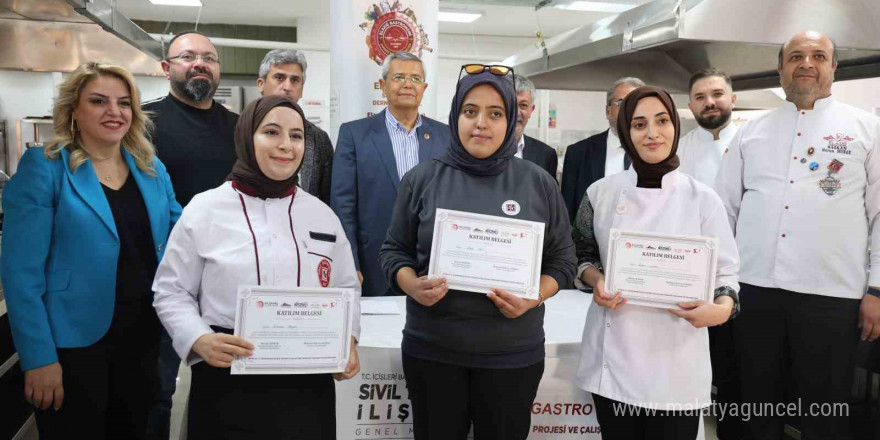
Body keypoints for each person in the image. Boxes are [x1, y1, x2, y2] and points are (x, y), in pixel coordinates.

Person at [378, 65, 576, 440]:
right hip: (433, 351)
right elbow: (393, 251)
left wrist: (534, 296)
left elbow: (562, 261)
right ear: (456, 116)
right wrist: (411, 285)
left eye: (495, 113)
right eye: (470, 111)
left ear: (510, 120)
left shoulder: (539, 183)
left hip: (511, 355)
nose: (481, 123)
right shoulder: (422, 179)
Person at [152, 95, 361, 439]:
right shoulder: (205, 209)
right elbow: (171, 291)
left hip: (308, 383)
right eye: (272, 132)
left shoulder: (321, 214)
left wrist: (347, 340)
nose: (286, 145)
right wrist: (198, 338)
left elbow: (345, 287)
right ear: (247, 137)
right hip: (227, 376)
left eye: (296, 136)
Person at [1, 61, 182, 440]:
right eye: (98, 101)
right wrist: (39, 358)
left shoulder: (151, 169)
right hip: (73, 346)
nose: (114, 112)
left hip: (143, 338)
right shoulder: (45, 168)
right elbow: (21, 275)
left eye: (124, 102)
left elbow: (183, 237)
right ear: (74, 111)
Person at [715, 30, 880, 440]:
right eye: (796, 56)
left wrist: (877, 290)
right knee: (755, 405)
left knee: (825, 412)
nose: (807, 63)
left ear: (833, 67)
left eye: (818, 55)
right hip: (754, 290)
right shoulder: (750, 132)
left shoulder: (868, 129)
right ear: (781, 68)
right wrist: (720, 280)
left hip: (832, 295)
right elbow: (722, 211)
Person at [572, 86, 740, 439]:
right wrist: (595, 280)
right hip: (615, 361)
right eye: (639, 124)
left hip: (677, 364)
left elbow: (726, 275)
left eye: (662, 121)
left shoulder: (703, 199)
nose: (652, 133)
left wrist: (721, 310)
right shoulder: (599, 194)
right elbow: (581, 256)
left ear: (676, 126)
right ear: (626, 133)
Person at [143, 30, 240, 437]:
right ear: (167, 68)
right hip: (162, 277)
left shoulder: (240, 128)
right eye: (188, 56)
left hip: (227, 278)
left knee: (225, 388)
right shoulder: (142, 123)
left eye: (209, 58)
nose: (200, 63)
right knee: (157, 389)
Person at [331, 52, 449, 297]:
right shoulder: (354, 134)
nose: (408, 84)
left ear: (424, 88)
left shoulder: (445, 137)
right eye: (399, 77)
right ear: (383, 86)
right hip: (372, 265)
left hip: (430, 268)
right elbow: (343, 206)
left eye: (416, 79)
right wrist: (350, 262)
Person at [561, 77, 644, 223]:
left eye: (636, 104)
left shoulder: (655, 153)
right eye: (621, 103)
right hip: (589, 242)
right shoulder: (578, 153)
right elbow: (566, 213)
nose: (629, 110)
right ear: (608, 111)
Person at [257, 49, 334, 204]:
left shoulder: (318, 138)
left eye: (295, 80)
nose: (287, 87)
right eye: (279, 77)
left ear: (302, 89)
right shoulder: (239, 130)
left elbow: (328, 198)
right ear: (261, 84)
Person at [678, 68, 739, 186]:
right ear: (691, 106)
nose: (709, 103)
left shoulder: (752, 145)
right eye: (700, 97)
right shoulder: (678, 152)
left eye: (717, 94)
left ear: (733, 100)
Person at [512, 74, 557, 178]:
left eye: (523, 105)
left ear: (531, 110)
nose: (517, 112)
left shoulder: (546, 155)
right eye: (511, 104)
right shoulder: (484, 149)